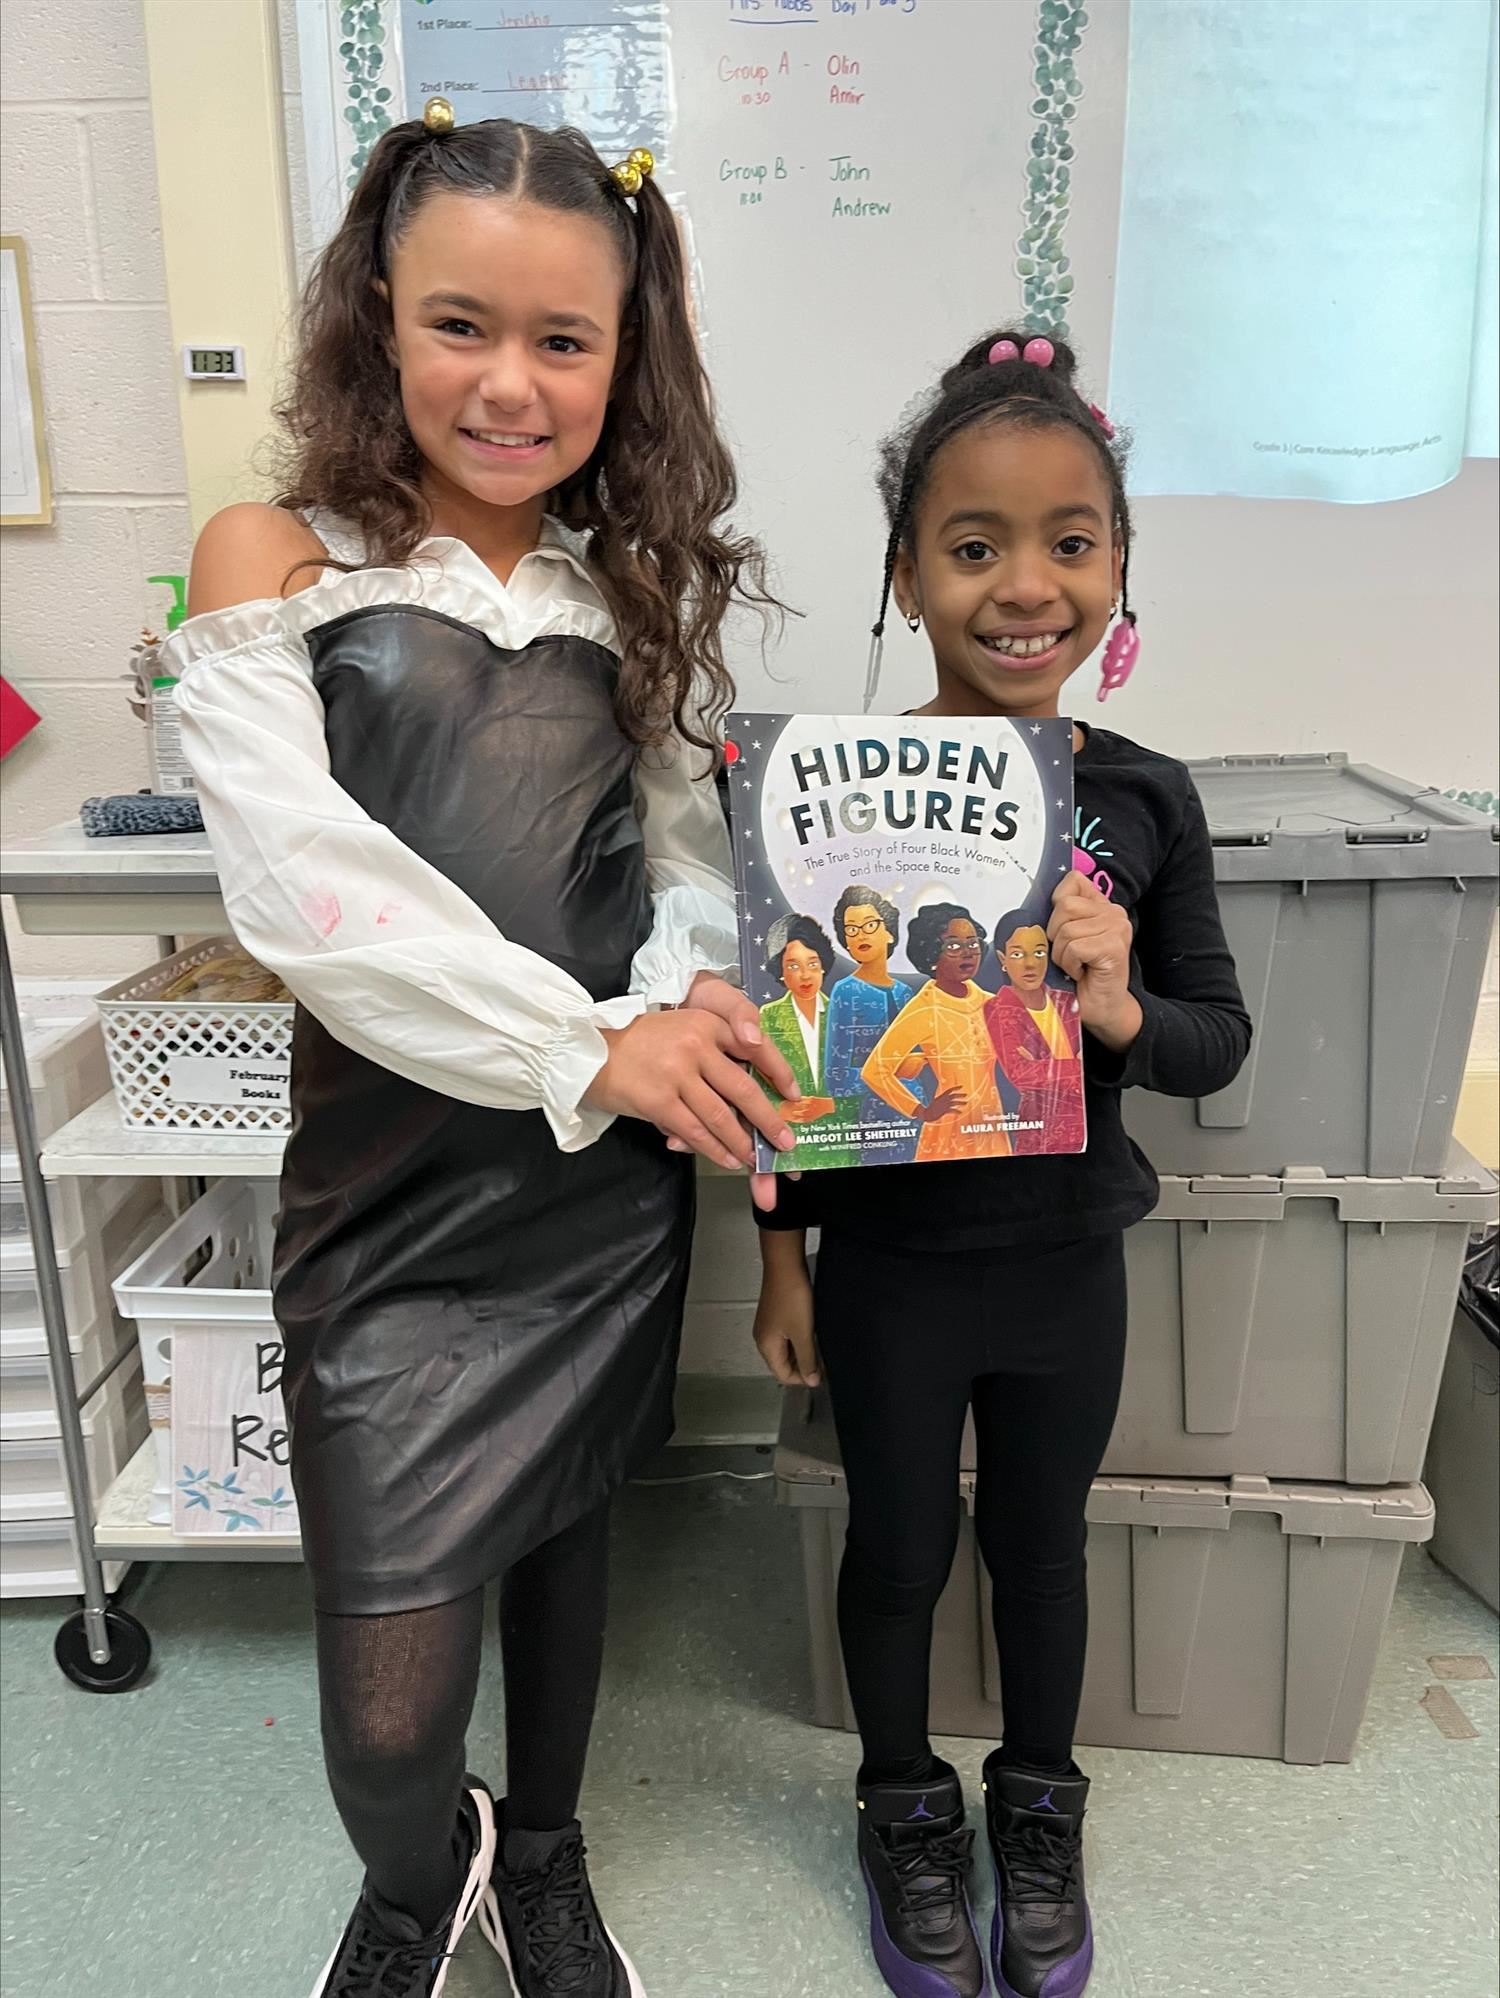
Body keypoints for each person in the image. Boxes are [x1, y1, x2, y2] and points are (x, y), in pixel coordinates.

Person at [166, 106, 798, 1998]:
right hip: (393, 1203)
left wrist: (686, 994)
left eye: (564, 341)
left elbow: (684, 859)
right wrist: (592, 1043)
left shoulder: (635, 594)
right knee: (382, 1711)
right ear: (379, 311)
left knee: (567, 1534)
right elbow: (309, 894)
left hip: (592, 1204)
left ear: (629, 354)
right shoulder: (277, 555)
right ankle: (415, 1851)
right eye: (461, 325)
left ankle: (545, 1846)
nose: (510, 384)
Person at [750, 329, 1251, 1998]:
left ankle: (1039, 1797)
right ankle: (904, 1799)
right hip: (890, 1266)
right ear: (906, 572)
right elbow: (799, 1064)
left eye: (1069, 539)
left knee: (1043, 1539)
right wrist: (777, 1256)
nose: (1023, 583)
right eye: (973, 545)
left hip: (1062, 1261)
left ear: (1117, 563)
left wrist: (1114, 1005)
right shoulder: (820, 801)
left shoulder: (1150, 800)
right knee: (895, 1544)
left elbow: (1214, 1040)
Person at [860, 904, 1013, 1162]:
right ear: (932, 954)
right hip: (948, 1137)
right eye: (953, 946)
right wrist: (921, 1110)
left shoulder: (992, 1003)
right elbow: (874, 1070)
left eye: (972, 944)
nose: (967, 953)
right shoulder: (925, 1008)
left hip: (991, 1128)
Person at [823, 884, 922, 1165]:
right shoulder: (846, 992)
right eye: (851, 929)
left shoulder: (905, 993)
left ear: (889, 932)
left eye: (869, 925)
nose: (860, 934)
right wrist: (894, 1071)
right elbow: (836, 1080)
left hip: (919, 1116)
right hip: (874, 1123)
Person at [758, 914, 862, 1170]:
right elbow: (753, 1085)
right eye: (793, 966)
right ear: (779, 971)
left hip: (846, 1151)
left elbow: (870, 1084)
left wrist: (830, 1105)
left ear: (824, 966)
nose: (805, 975)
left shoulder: (845, 1013)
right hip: (793, 1154)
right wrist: (782, 1110)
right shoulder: (768, 1017)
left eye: (813, 964)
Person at [985, 906, 1087, 1154]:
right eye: (1018, 954)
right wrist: (1076, 1065)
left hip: (1084, 1126)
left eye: (1039, 952)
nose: (1031, 963)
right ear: (1002, 960)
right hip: (1041, 1136)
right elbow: (1022, 1074)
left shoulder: (1066, 1001)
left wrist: (1047, 1066)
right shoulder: (998, 1008)